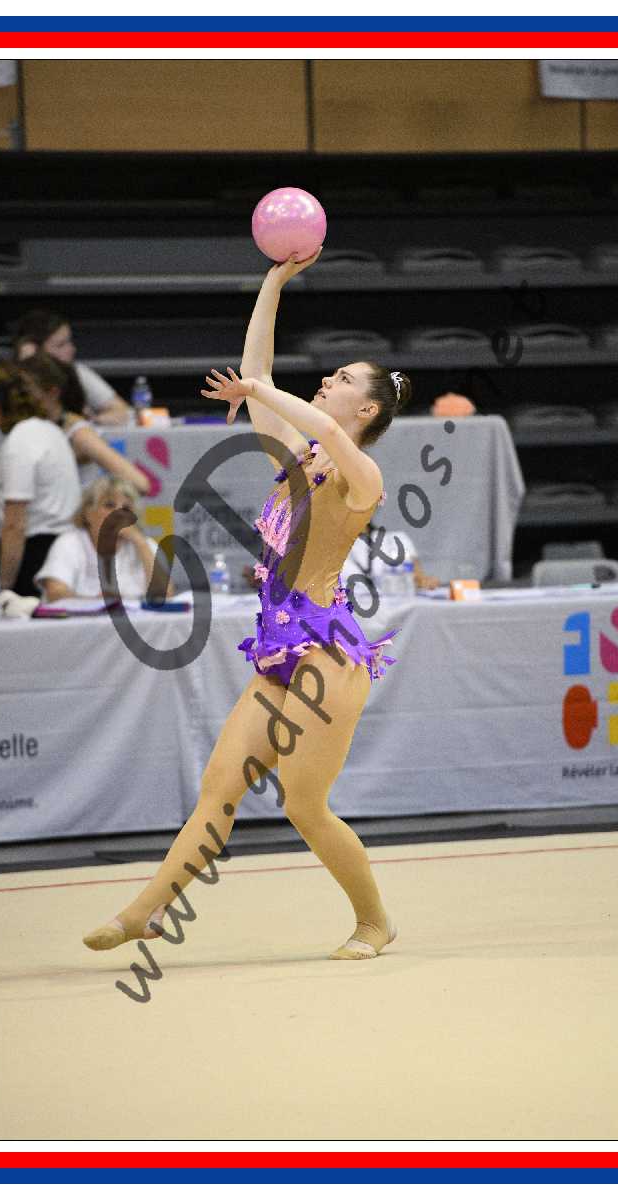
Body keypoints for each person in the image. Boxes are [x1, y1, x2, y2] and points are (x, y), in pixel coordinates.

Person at [84, 249, 408, 962]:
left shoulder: (362, 474)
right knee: (218, 788)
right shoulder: (296, 455)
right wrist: (273, 281)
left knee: (304, 805)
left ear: (368, 409)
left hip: (330, 656)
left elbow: (315, 423)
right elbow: (257, 369)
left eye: (343, 380)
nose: (327, 380)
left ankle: (374, 921)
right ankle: (142, 912)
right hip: (279, 649)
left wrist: (260, 389)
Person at [0, 361, 81, 596]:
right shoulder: (50, 430)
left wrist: (2, 589)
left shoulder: (20, 441)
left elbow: (15, 525)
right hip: (61, 550)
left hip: (33, 558)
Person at [20, 352, 153, 497]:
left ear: (52, 393)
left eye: (26, 390)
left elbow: (141, 484)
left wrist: (93, 502)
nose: (18, 398)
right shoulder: (31, 428)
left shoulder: (79, 433)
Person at [34, 476, 175, 603]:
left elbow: (166, 595)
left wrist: (140, 543)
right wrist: (97, 603)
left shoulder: (145, 545)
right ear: (88, 513)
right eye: (109, 505)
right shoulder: (69, 543)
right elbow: (55, 593)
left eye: (127, 508)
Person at [13, 309, 131, 426]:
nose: (72, 349)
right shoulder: (10, 377)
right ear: (33, 350)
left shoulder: (77, 373)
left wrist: (86, 422)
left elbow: (123, 411)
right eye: (61, 345)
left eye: (69, 341)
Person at [341, 522, 442, 592]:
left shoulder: (396, 540)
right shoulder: (332, 548)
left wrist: (425, 582)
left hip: (395, 614)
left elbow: (418, 578)